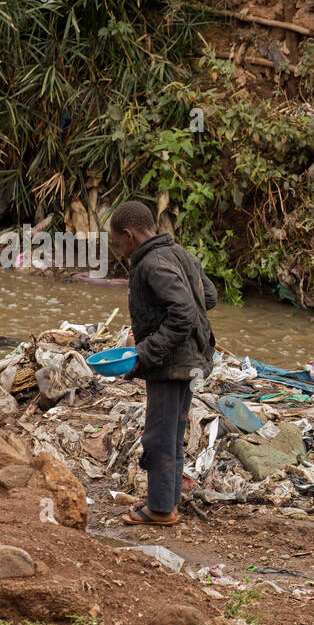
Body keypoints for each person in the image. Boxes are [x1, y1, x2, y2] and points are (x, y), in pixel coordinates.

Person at [109, 200, 218, 525]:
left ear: (129, 235)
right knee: (172, 433)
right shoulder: (182, 255)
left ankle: (159, 509)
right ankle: (166, 503)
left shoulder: (151, 264)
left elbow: (184, 311)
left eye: (118, 244)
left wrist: (146, 351)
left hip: (171, 364)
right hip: (192, 359)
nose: (120, 252)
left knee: (158, 436)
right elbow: (207, 296)